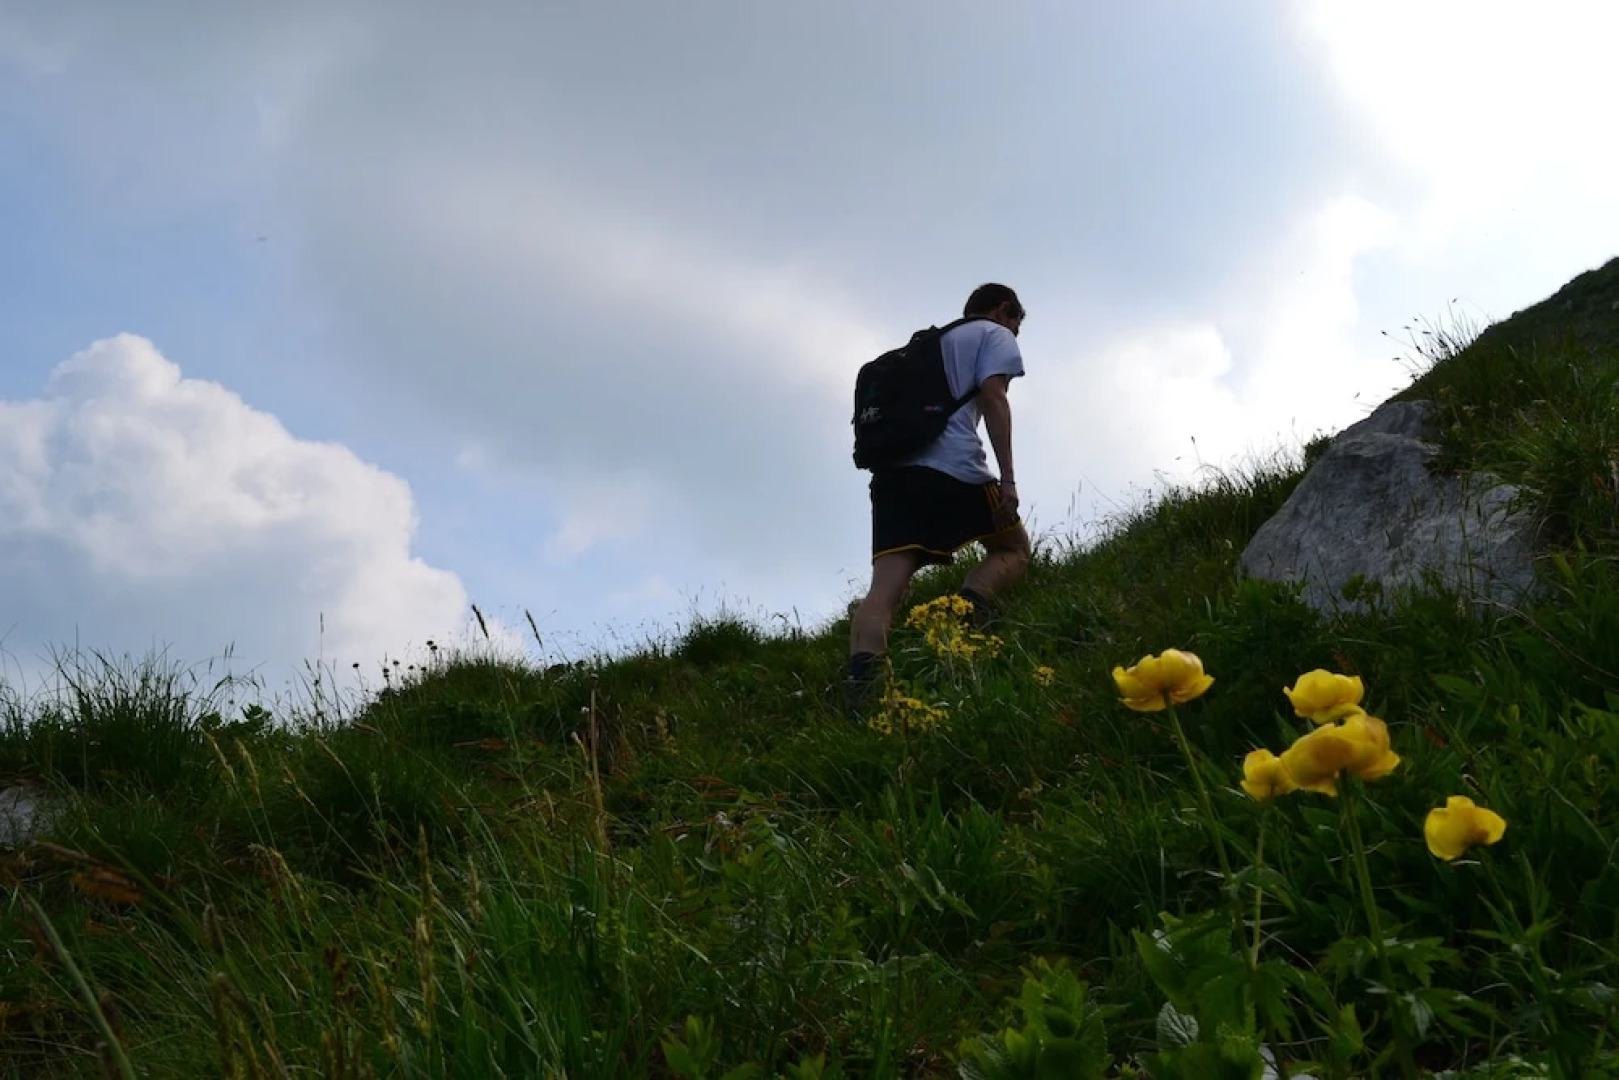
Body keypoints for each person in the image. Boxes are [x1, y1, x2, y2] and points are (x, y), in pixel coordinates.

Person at [846, 282, 1032, 716]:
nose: (1014, 337)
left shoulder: (931, 343)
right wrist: (1007, 479)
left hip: (893, 477)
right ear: (1005, 311)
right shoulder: (994, 335)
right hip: (954, 469)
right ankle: (969, 608)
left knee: (883, 592)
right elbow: (994, 397)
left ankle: (862, 687)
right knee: (1014, 548)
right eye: (1016, 327)